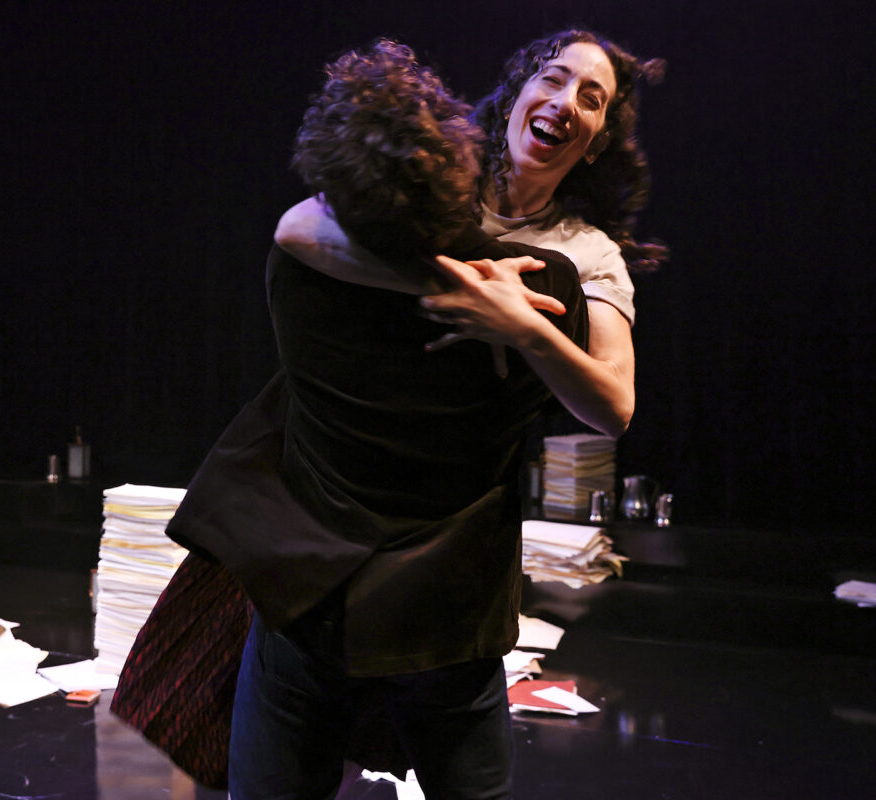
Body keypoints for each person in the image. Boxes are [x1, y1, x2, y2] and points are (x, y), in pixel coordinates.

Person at [115, 38, 590, 798]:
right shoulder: (545, 287)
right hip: (449, 617)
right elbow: (589, 403)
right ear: (462, 157)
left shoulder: (300, 270)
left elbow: (301, 219)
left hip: (313, 599)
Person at [275, 29, 666, 438]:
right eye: (552, 78)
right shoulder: (436, 176)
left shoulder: (590, 252)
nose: (565, 102)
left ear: (596, 144)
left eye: (590, 100)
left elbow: (616, 409)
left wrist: (523, 327)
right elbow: (296, 230)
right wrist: (464, 289)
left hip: (460, 466)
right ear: (516, 96)